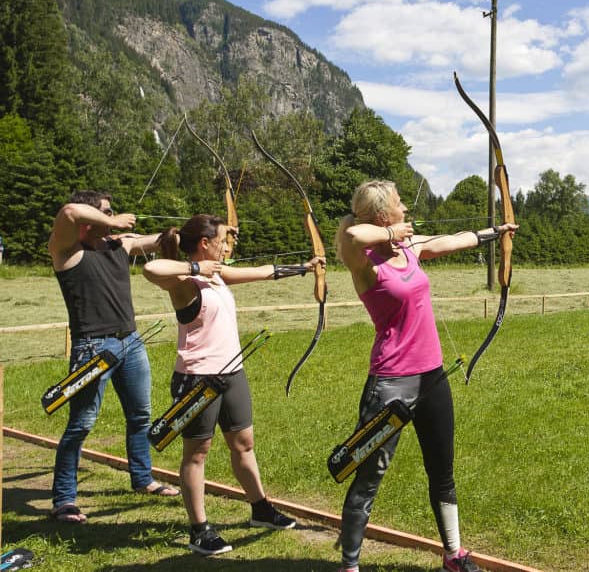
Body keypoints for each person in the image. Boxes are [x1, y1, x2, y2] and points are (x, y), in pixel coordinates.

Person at [333, 180, 517, 572]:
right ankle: (349, 564)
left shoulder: (409, 248)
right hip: (390, 383)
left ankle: (453, 554)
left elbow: (453, 240)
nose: (406, 210)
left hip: (432, 377)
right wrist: (387, 234)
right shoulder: (362, 259)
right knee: (369, 476)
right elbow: (352, 231)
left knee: (442, 468)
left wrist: (495, 232)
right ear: (384, 215)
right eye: (399, 204)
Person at [143, 214, 324, 556]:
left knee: (243, 443)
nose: (228, 247)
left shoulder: (219, 276)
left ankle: (261, 509)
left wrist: (304, 266)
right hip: (197, 378)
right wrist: (196, 270)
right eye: (223, 240)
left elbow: (263, 272)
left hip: (232, 374)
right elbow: (150, 271)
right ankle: (199, 530)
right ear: (204, 245)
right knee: (196, 454)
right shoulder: (185, 282)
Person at [48, 190, 181, 525]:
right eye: (105, 213)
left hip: (130, 343)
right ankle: (64, 499)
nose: (112, 218)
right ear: (89, 220)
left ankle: (143, 479)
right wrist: (112, 222)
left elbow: (158, 239)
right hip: (92, 349)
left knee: (140, 416)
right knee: (81, 424)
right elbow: (68, 211)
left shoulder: (120, 244)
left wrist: (186, 236)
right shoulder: (67, 251)